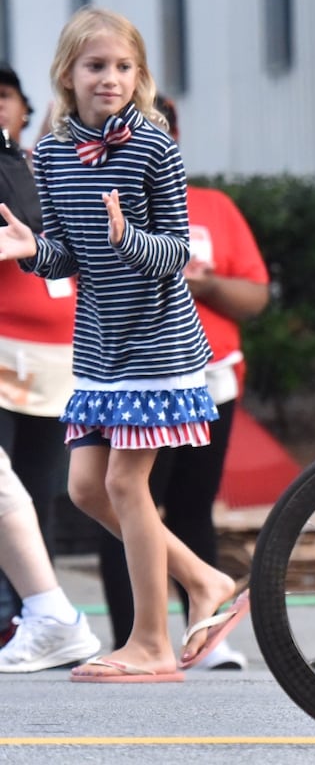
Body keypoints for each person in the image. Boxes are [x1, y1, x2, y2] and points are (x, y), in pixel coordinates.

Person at [0, 6, 247, 682]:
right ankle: (203, 578)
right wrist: (31, 249)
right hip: (100, 346)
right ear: (68, 75)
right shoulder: (48, 152)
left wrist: (125, 238)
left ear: (138, 76)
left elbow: (175, 251)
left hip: (159, 343)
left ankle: (152, 643)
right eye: (95, 66)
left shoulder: (153, 146)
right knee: (85, 489)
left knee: (124, 484)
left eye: (122, 67)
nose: (110, 78)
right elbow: (63, 256)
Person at [94, 95, 269, 670]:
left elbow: (254, 294)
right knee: (112, 494)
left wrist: (201, 280)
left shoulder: (211, 205)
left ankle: (194, 628)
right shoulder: (100, 193)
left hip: (203, 376)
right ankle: (144, 631)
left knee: (175, 503)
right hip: (122, 372)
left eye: (158, 130)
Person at [0, 68, 101, 672]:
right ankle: (46, 612)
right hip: (17, 354)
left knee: (72, 490)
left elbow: (88, 254)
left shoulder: (35, 168)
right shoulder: (27, 164)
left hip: (65, 362)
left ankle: (45, 613)